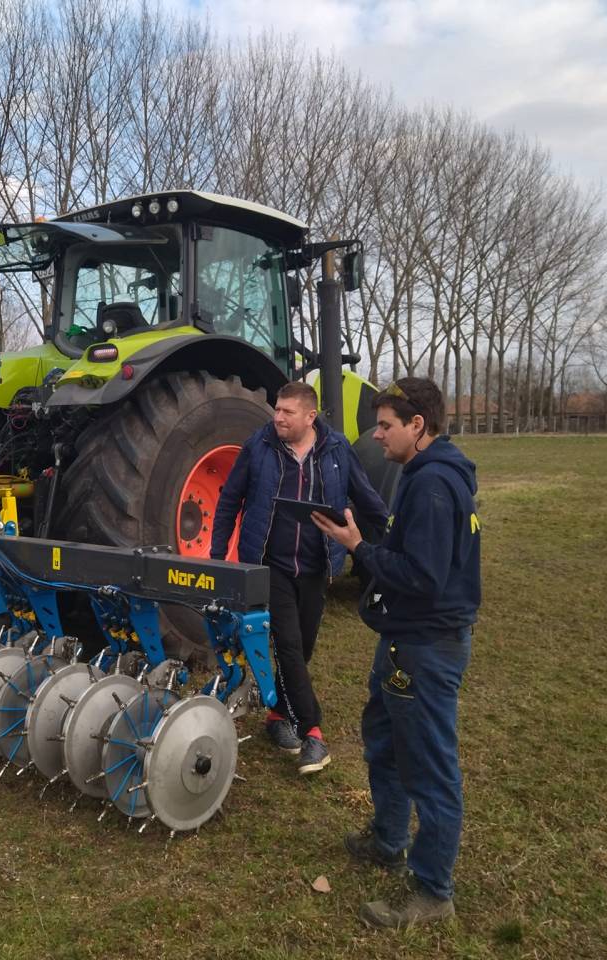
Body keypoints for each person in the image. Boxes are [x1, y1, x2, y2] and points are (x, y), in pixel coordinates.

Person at [313, 376, 481, 929]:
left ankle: (433, 891)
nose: (376, 435)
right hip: (404, 638)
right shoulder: (422, 474)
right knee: (383, 736)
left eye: (386, 425)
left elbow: (423, 577)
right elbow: (413, 550)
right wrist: (369, 535)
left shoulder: (433, 485)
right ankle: (388, 838)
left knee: (430, 766)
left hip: (426, 644)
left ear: (418, 425)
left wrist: (358, 548)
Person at [211, 381, 388, 774]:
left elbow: (366, 497)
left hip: (316, 566)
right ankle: (313, 732)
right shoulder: (259, 446)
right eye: (277, 409)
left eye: (287, 412)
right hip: (269, 565)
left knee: (302, 649)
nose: (277, 417)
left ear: (310, 417)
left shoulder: (337, 450)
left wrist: (394, 532)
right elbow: (229, 501)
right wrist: (217, 555)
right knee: (288, 646)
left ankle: (277, 716)